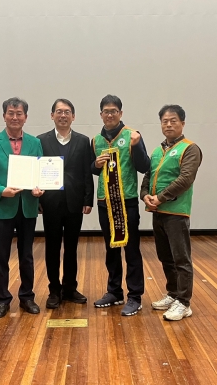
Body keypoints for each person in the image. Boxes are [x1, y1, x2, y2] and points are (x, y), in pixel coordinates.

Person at [0, 97, 44, 318]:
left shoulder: (35, 143)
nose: (15, 117)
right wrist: (0, 190)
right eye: (10, 113)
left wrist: (39, 188)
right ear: (4, 115)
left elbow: (40, 172)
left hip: (27, 206)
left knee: (26, 255)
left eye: (19, 114)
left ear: (26, 117)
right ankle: (3, 299)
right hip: (2, 206)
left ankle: (27, 297)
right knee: (0, 255)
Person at [140, 104, 202, 321]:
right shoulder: (158, 151)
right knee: (165, 256)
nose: (168, 124)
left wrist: (161, 197)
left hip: (176, 212)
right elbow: (148, 176)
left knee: (181, 259)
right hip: (158, 211)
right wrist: (145, 195)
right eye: (164, 121)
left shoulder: (190, 148)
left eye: (173, 120)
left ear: (182, 123)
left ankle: (184, 303)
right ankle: (173, 293)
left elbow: (185, 178)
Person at [91, 94, 150, 316]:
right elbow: (93, 170)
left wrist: (136, 147)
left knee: (131, 249)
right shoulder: (96, 140)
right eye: (106, 111)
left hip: (126, 202)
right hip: (105, 202)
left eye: (114, 111)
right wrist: (94, 164)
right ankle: (114, 291)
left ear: (121, 114)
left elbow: (145, 167)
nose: (109, 115)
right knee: (110, 248)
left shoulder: (132, 135)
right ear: (101, 114)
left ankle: (135, 296)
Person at [38, 99, 94, 309]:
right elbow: (36, 171)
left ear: (73, 116)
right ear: (52, 115)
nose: (63, 115)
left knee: (71, 247)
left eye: (67, 112)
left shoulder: (82, 141)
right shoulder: (41, 141)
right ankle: (54, 289)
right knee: (52, 248)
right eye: (59, 112)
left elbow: (86, 172)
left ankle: (70, 288)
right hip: (49, 203)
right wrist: (37, 202)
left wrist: (88, 199)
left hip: (75, 203)